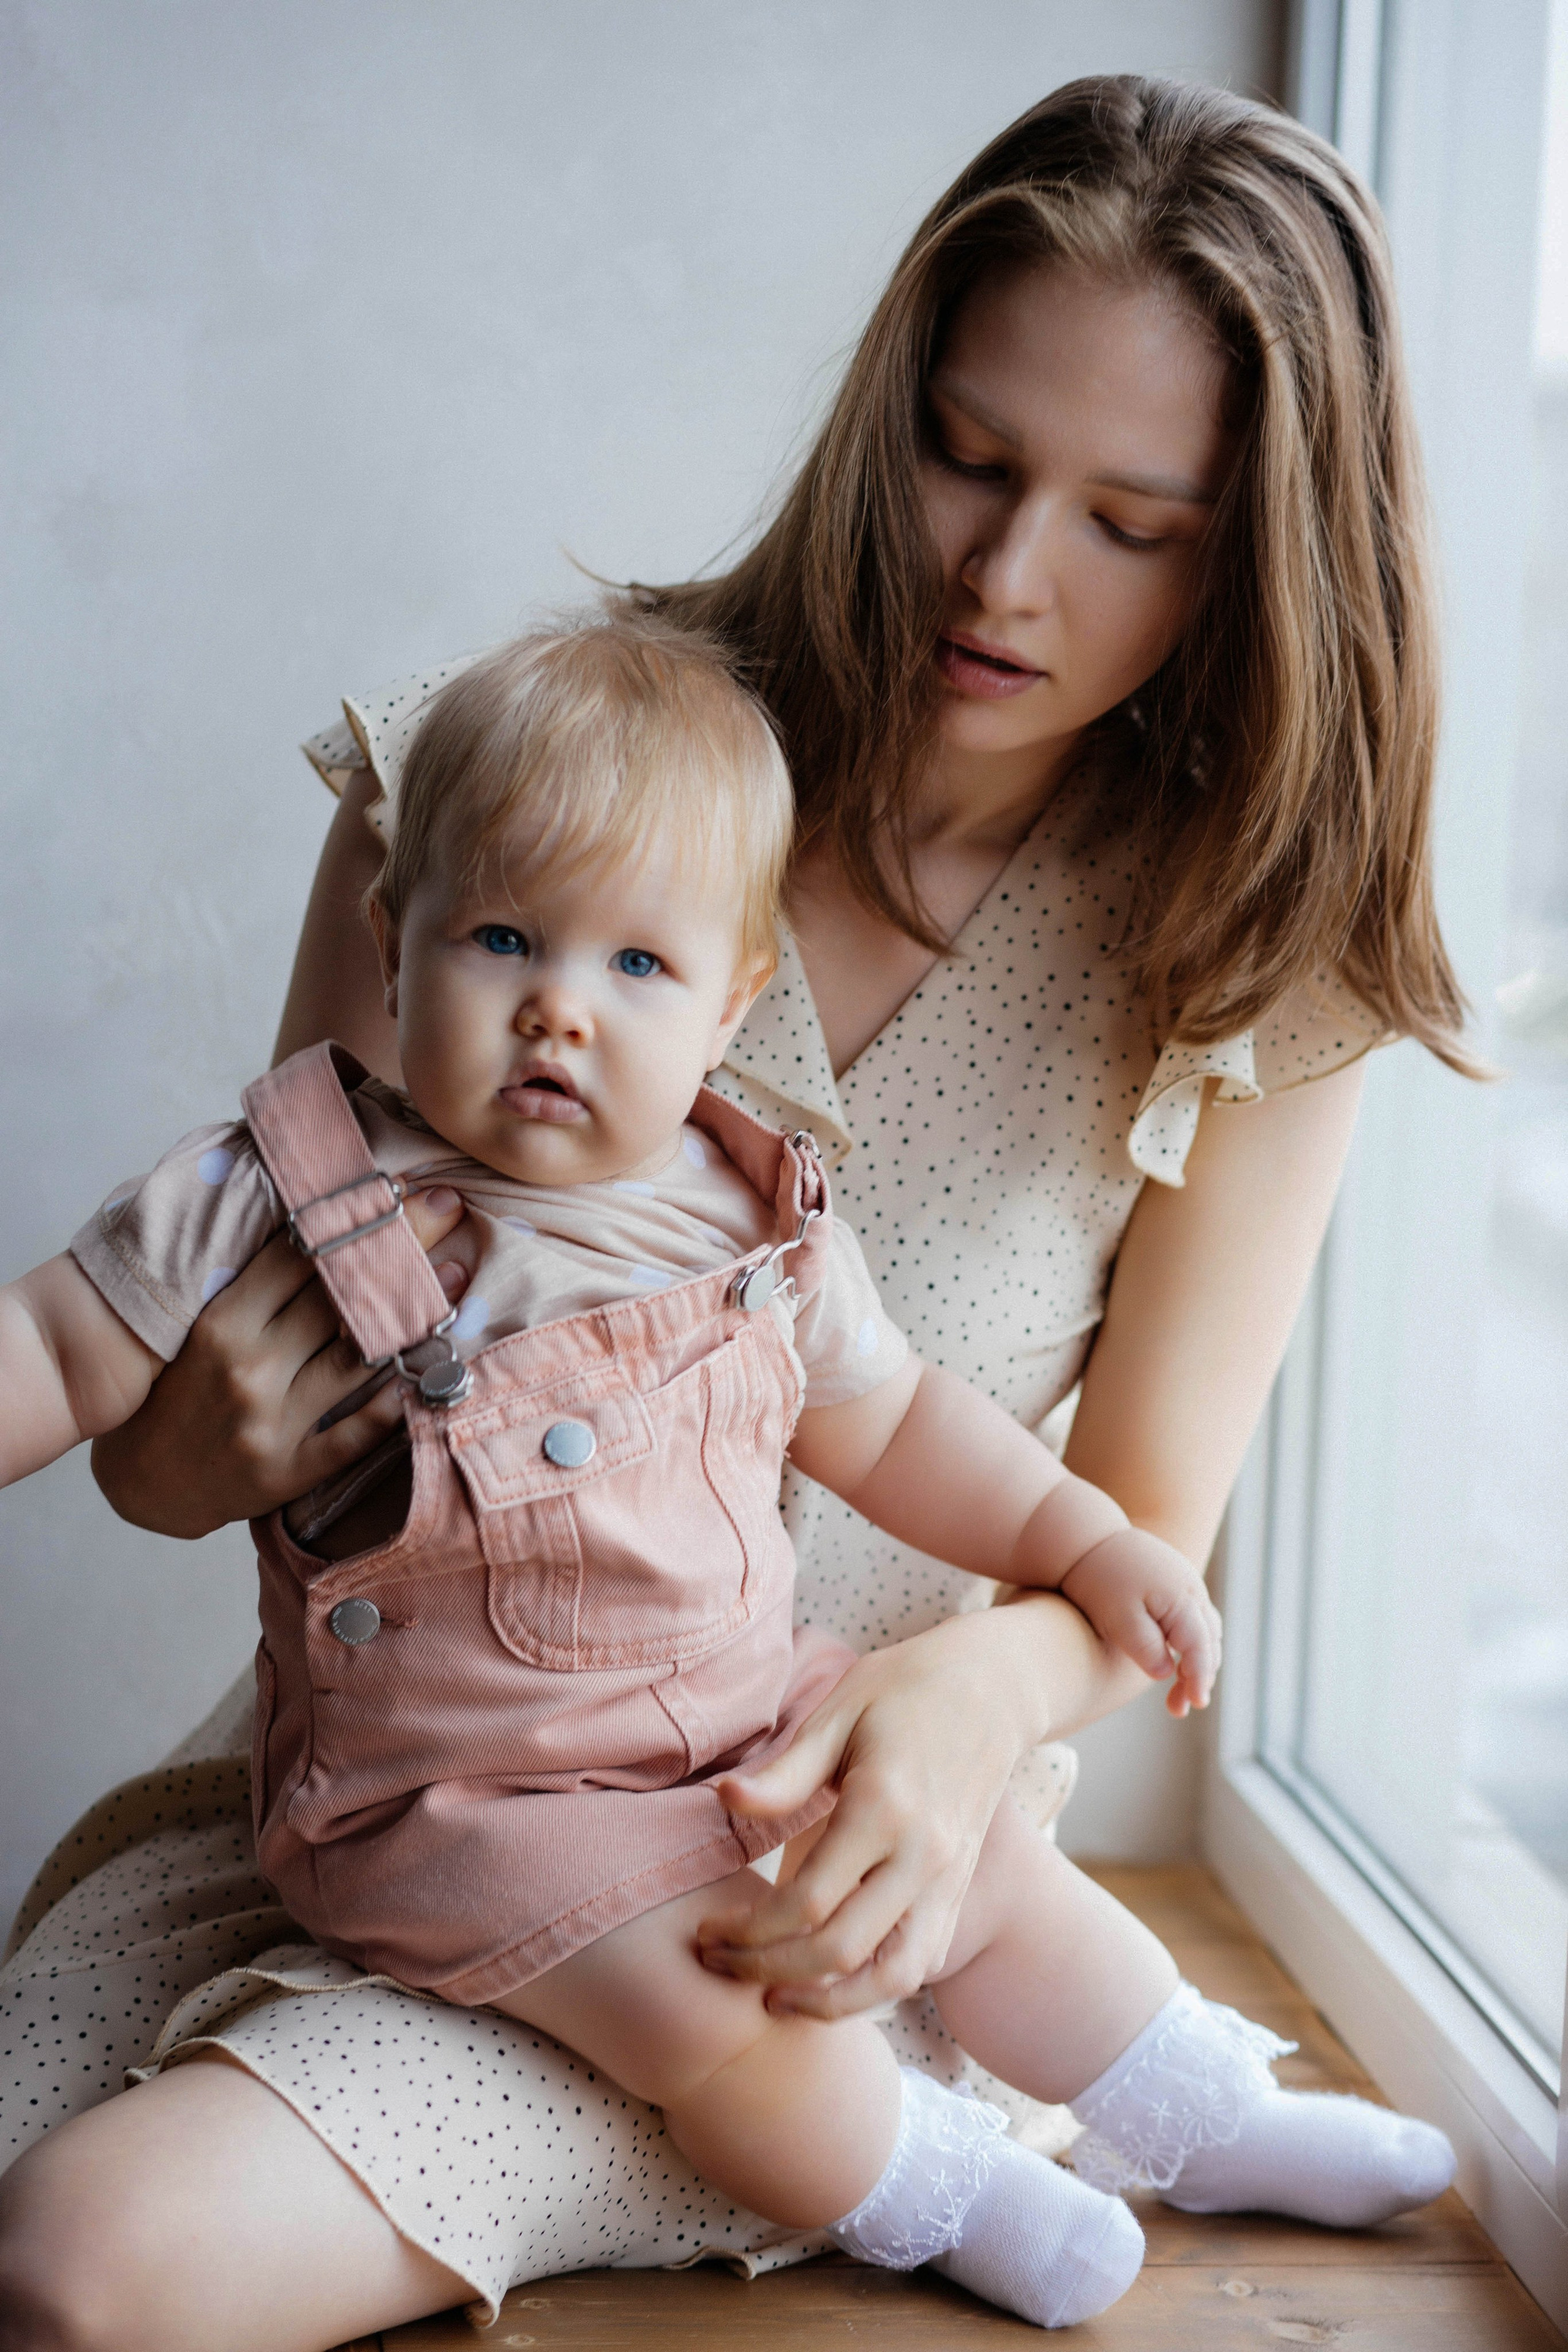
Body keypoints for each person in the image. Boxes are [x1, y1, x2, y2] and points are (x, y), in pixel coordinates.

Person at [0, 75, 1471, 2352]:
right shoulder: (505, 791)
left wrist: (975, 1695)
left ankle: (1042, 2111)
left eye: (1134, 522)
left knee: (113, 2266)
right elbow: (213, 1382)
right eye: (971, 458)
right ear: (893, 402)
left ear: (1262, 549)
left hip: (825, 1855)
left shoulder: (1251, 979)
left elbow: (1128, 1547)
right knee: (40, 2198)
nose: (1004, 575)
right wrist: (188, 1457)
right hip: (401, 1789)